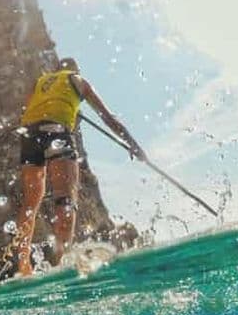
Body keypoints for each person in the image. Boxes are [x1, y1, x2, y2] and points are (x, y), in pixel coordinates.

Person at [13, 57, 144, 276]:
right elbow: (107, 117)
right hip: (56, 131)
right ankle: (61, 263)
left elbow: (31, 111)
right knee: (64, 199)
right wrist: (133, 144)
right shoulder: (77, 80)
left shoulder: (41, 82)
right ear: (75, 70)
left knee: (30, 202)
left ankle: (23, 264)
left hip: (29, 135)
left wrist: (69, 112)